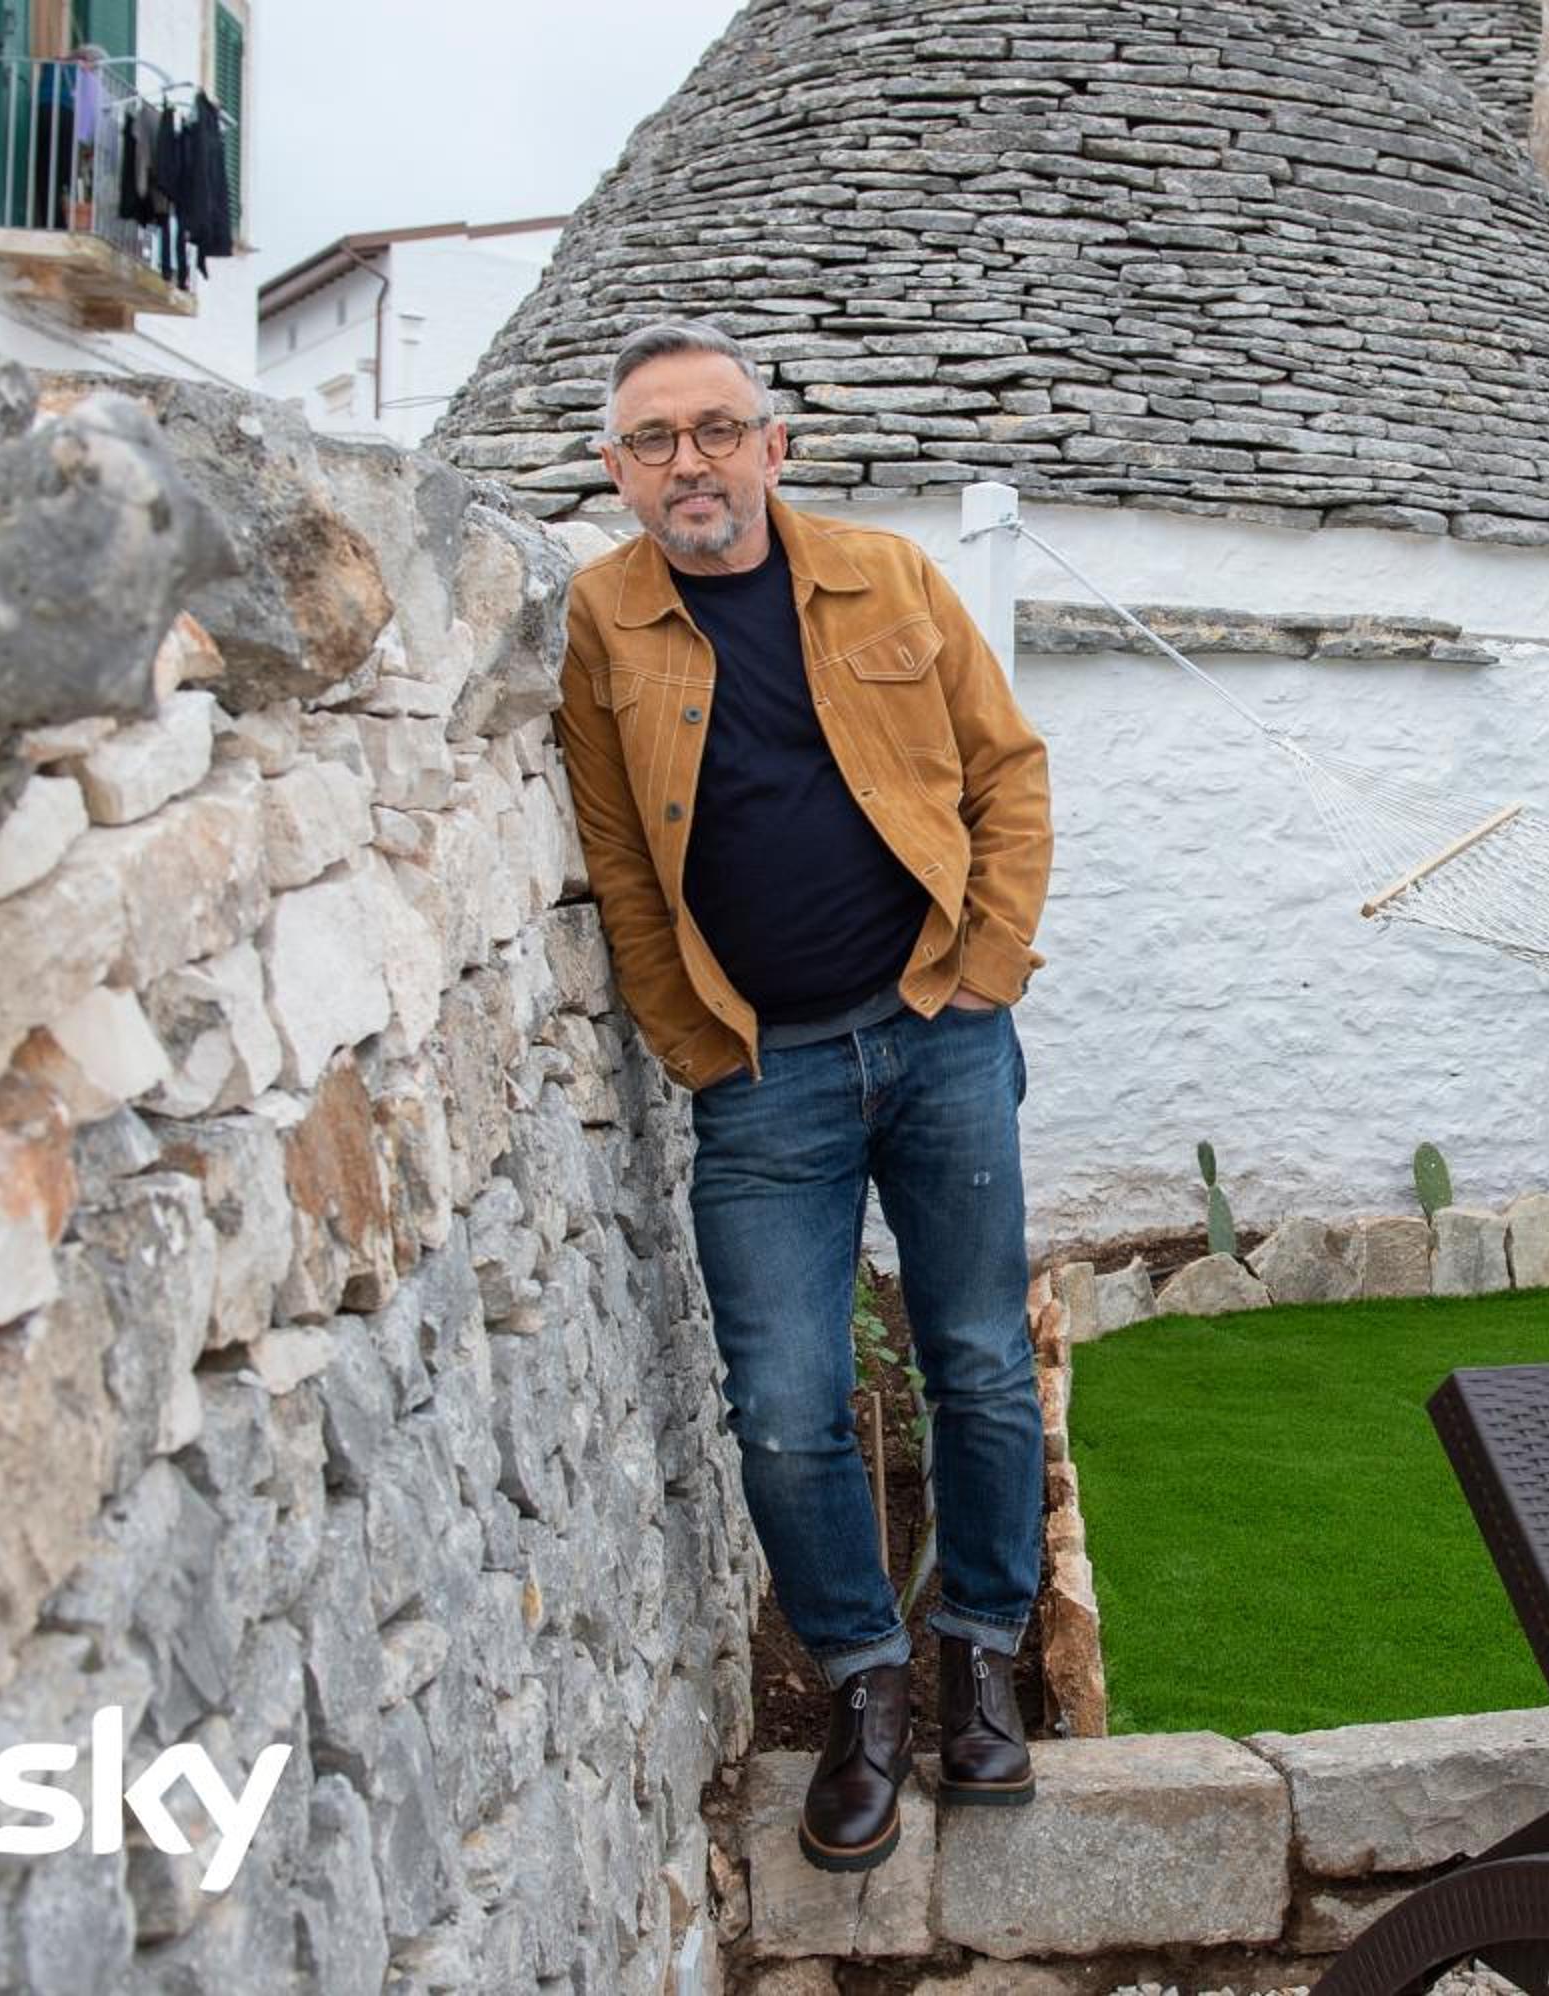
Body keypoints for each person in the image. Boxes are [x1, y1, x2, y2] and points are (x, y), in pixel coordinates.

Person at [553, 320, 1053, 1873]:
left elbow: (1006, 771)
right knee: (782, 1407)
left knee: (978, 1361)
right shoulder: (603, 618)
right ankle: (865, 1683)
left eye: (717, 429)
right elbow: (617, 852)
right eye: (654, 440)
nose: (690, 462)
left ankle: (983, 1654)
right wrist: (695, 1043)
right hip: (764, 1074)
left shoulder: (887, 577)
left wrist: (986, 967)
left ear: (774, 447)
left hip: (939, 1033)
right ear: (619, 472)